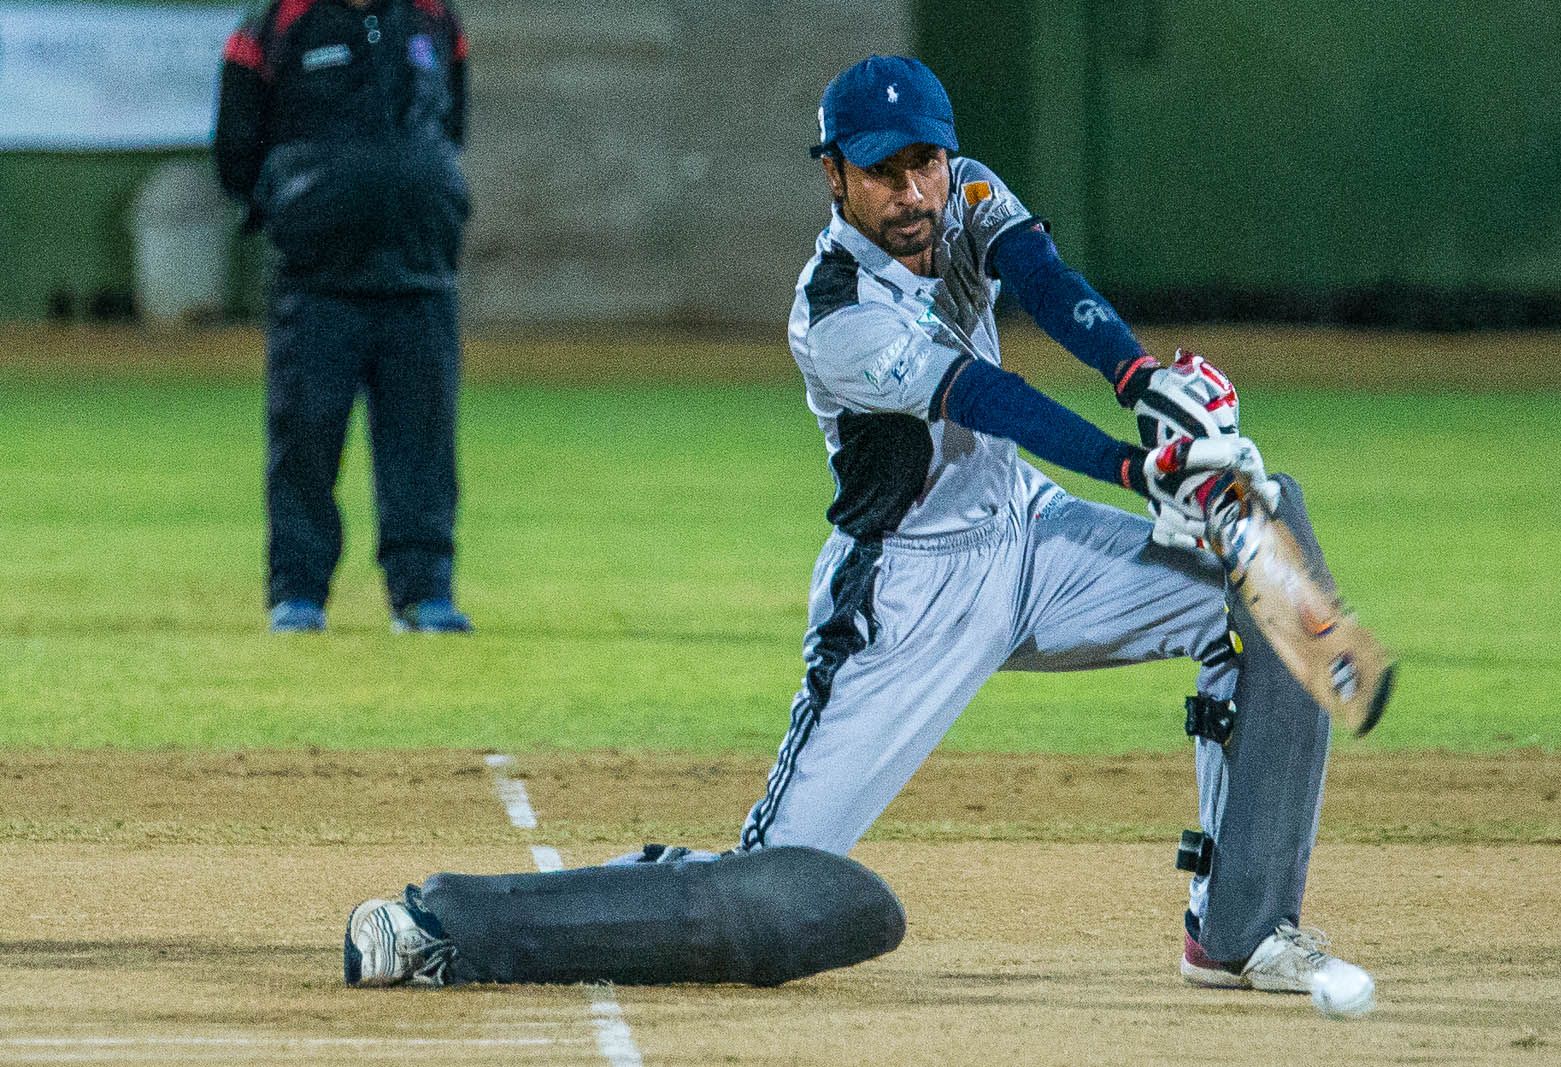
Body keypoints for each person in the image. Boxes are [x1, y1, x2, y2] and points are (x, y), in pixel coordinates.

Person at [341, 56, 1372, 1010]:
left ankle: (1239, 927)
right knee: (763, 890)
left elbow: (1044, 278)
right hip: (907, 596)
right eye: (883, 173)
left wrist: (1139, 379)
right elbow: (984, 393)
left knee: (1264, 579)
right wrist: (1136, 467)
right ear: (833, 175)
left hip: (1030, 535)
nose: (913, 192)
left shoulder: (964, 191)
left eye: (926, 163)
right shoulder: (832, 313)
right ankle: (449, 925)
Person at [214, 0, 474, 633]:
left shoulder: (435, 18)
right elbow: (236, 146)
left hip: (420, 276)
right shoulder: (277, 21)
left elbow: (452, 126)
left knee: (424, 445)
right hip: (317, 283)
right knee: (305, 441)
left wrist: (426, 192)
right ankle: (298, 594)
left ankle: (423, 593)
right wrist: (295, 207)